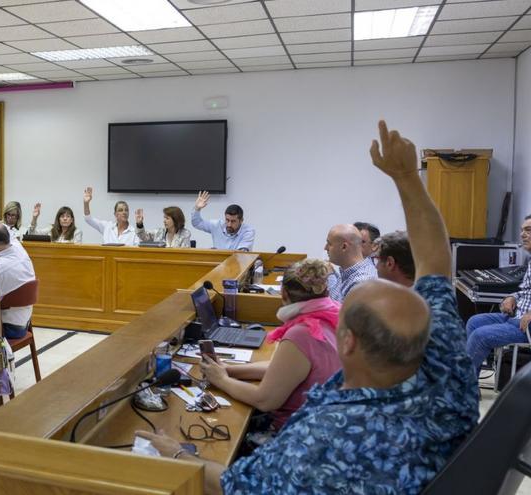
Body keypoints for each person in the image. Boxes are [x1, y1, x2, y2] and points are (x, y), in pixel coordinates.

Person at [138, 120, 478, 494]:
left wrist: (176, 456)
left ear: (346, 342)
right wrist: (407, 178)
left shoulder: (326, 439)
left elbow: (234, 488)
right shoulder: (447, 369)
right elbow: (436, 262)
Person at [199, 258, 340, 441]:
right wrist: (228, 369)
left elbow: (264, 400)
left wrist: (222, 380)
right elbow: (283, 369)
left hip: (298, 436)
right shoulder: (335, 314)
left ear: (283, 293)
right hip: (326, 424)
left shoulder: (302, 333)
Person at [465, 214, 531, 373]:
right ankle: (471, 385)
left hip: (526, 327)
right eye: (522, 230)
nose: (522, 234)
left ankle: (461, 387)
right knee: (474, 322)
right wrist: (511, 297)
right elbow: (527, 291)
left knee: (480, 336)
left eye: (528, 230)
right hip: (516, 316)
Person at [0, 223, 36, 339]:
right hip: (23, 320)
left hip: (10, 328)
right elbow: (10, 233)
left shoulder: (0, 269)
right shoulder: (18, 249)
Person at [325, 223, 377, 302]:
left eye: (329, 244)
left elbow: (338, 311)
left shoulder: (361, 282)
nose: (325, 248)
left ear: (344, 247)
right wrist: (330, 274)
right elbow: (337, 297)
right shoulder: (348, 271)